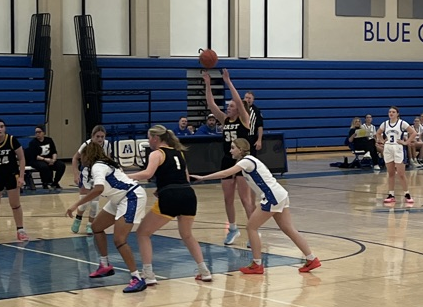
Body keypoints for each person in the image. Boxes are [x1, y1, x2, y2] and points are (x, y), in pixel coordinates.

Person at [192, 138, 320, 275]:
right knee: (289, 229)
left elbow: (225, 173)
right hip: (280, 194)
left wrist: (202, 178)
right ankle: (311, 258)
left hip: (272, 196)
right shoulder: (250, 161)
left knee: (251, 227)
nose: (230, 151)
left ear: (240, 150)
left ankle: (257, 264)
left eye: (233, 147)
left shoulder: (246, 161)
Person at [127, 125, 212, 286]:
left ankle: (148, 273)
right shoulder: (179, 153)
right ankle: (204, 271)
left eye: (149, 137)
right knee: (187, 235)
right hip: (188, 195)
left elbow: (147, 174)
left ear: (155, 138)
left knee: (143, 233)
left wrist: (125, 176)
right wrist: (162, 189)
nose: (148, 141)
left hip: (171, 196)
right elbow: (185, 178)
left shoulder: (156, 153)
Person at [65, 141, 147, 293]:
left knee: (119, 239)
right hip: (118, 199)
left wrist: (75, 205)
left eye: (82, 155)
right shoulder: (99, 166)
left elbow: (99, 189)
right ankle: (105, 265)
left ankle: (137, 277)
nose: (80, 158)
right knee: (96, 227)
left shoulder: (98, 166)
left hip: (131, 197)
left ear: (88, 155)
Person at [203, 68, 254, 245]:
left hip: (243, 161)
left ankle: (253, 230)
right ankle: (232, 229)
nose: (229, 107)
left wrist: (228, 81)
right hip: (227, 159)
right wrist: (208, 84)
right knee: (227, 198)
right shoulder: (225, 120)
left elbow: (239, 101)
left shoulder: (244, 119)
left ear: (239, 109)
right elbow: (211, 104)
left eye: (231, 106)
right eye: (228, 106)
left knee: (245, 198)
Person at [70, 125, 113, 234]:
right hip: (86, 174)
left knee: (94, 203)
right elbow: (75, 158)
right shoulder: (86, 145)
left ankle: (90, 224)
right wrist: (76, 174)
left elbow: (108, 159)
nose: (100, 139)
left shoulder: (107, 145)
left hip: (98, 174)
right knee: (84, 202)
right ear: (92, 136)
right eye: (97, 136)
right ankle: (78, 218)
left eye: (102, 137)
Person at [375, 107, 414, 207]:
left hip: (398, 149)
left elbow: (413, 133)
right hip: (388, 148)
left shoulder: (402, 123)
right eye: (390, 112)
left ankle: (407, 194)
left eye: (393, 112)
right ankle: (391, 194)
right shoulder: (385, 124)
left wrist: (406, 142)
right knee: (390, 173)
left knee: (401, 173)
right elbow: (378, 133)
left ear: (397, 114)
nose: (391, 113)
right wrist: (382, 141)